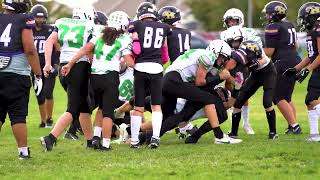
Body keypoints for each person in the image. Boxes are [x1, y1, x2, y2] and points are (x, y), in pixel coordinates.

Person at [62, 11, 133, 151]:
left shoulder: (99, 35)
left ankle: (95, 138)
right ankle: (105, 144)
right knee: (108, 113)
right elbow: (129, 62)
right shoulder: (124, 39)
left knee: (100, 108)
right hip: (110, 77)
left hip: (94, 77)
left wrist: (70, 64)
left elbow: (84, 50)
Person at [161, 39, 242, 144]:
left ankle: (145, 136)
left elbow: (208, 82)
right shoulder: (208, 57)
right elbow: (200, 82)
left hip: (171, 80)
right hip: (175, 81)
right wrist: (220, 77)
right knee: (208, 99)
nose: (222, 61)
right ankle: (219, 136)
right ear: (216, 52)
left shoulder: (202, 54)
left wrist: (235, 85)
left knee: (172, 118)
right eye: (222, 58)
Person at [40, 6, 96, 151]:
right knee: (73, 108)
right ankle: (50, 138)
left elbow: (49, 42)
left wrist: (47, 63)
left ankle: (90, 142)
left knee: (84, 107)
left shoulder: (61, 22)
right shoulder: (89, 25)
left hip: (63, 67)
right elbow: (89, 50)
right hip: (78, 67)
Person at [0, 0, 42, 159]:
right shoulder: (24, 19)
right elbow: (30, 49)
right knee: (17, 114)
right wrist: (38, 74)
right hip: (16, 73)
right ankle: (23, 152)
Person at [128, 2, 170, 149]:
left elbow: (136, 50)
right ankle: (155, 138)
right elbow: (165, 55)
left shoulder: (136, 25)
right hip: (157, 68)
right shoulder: (165, 27)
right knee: (156, 106)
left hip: (140, 67)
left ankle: (134, 141)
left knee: (138, 107)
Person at [262, 1, 302, 134]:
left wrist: (257, 51)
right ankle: (293, 126)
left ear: (274, 14)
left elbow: (269, 52)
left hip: (282, 62)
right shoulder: (289, 24)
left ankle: (295, 125)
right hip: (295, 60)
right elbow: (296, 46)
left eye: (268, 14)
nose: (267, 17)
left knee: (277, 96)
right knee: (287, 96)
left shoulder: (272, 27)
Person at [283, 2, 320, 141]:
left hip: (318, 68)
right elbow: (311, 55)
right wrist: (296, 68)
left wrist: (308, 70)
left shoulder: (318, 29)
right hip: (317, 68)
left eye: (304, 18)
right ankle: (315, 135)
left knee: (311, 99)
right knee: (309, 101)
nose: (303, 21)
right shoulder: (314, 30)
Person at [229, 41, 278, 140]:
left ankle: (273, 133)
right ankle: (233, 133)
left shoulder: (254, 48)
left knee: (267, 102)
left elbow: (263, 59)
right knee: (239, 101)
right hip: (255, 75)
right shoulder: (240, 53)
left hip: (268, 73)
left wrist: (255, 63)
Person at [220, 8, 255, 135]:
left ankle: (246, 123)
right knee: (229, 93)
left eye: (234, 20)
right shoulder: (223, 34)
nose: (232, 23)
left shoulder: (247, 32)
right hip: (229, 63)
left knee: (244, 95)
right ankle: (233, 124)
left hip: (242, 65)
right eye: (229, 20)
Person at [30, 4, 59, 128]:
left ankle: (49, 118)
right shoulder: (28, 30)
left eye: (42, 18)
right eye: (37, 17)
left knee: (48, 92)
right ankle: (43, 120)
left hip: (48, 65)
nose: (40, 20)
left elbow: (57, 48)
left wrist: (56, 65)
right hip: (35, 66)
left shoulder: (50, 30)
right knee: (39, 94)